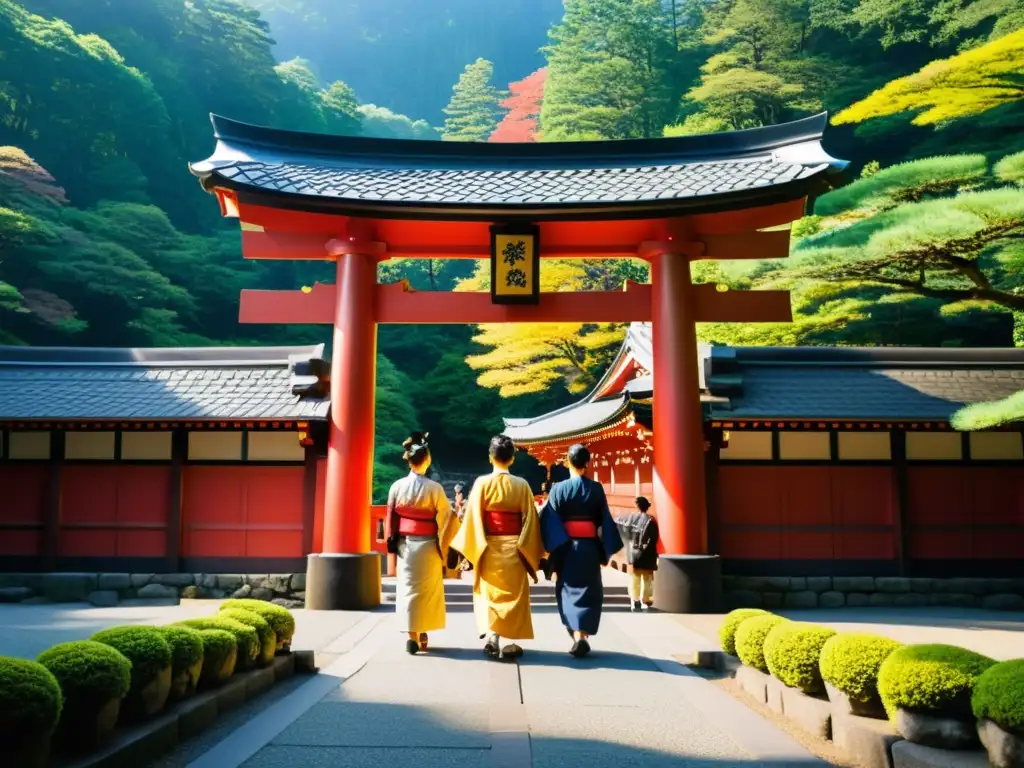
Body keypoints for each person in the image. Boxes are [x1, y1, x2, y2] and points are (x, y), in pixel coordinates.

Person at [450, 434, 543, 660]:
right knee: (514, 596)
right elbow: (531, 521)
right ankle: (509, 639)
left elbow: (472, 518)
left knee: (488, 594)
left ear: (491, 457)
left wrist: (468, 550)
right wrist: (528, 549)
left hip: (488, 547)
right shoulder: (521, 485)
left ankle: (493, 635)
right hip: (515, 547)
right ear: (511, 459)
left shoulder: (482, 483)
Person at [539, 444, 623, 657]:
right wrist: (605, 548)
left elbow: (549, 519)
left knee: (567, 589)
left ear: (567, 462)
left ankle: (577, 634)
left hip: (566, 547)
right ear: (587, 463)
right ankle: (582, 634)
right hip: (589, 547)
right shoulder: (596, 488)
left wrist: (553, 548)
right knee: (590, 589)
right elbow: (604, 519)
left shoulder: (558, 489)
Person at [385, 432, 458, 654]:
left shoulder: (396, 486)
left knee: (408, 589)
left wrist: (392, 541)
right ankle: (423, 628)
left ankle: (412, 634)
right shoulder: (434, 488)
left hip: (406, 545)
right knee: (427, 591)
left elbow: (391, 516)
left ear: (408, 460)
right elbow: (447, 517)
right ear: (426, 460)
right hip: (428, 545)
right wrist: (446, 545)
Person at [615, 496, 659, 611]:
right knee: (647, 577)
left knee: (636, 576)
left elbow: (623, 530)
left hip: (635, 551)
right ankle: (646, 599)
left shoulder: (631, 518)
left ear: (637, 506)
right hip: (648, 552)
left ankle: (635, 599)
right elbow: (655, 537)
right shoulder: (651, 520)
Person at [446, 483, 469, 578]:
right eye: (456, 494)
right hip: (454, 534)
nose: (457, 496)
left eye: (459, 494)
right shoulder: (453, 504)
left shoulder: (468, 505)